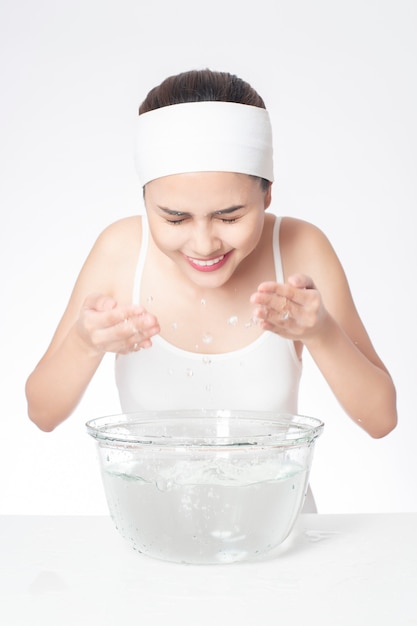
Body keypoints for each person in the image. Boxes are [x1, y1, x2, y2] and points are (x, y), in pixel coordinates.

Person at [25, 69, 397, 447]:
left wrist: (322, 333)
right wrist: (84, 344)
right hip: (151, 507)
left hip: (279, 506)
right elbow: (42, 413)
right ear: (145, 202)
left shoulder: (300, 247)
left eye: (229, 216)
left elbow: (381, 419)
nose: (204, 245)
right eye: (175, 218)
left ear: (266, 195)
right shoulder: (120, 250)